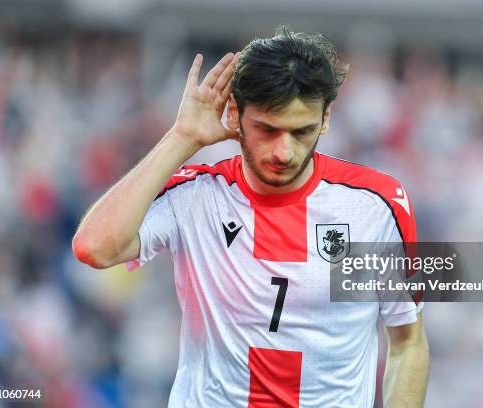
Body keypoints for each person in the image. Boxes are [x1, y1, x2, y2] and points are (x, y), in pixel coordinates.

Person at [72, 26, 429, 408]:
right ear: (235, 115)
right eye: (267, 129)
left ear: (326, 119)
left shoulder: (378, 205)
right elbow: (95, 248)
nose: (284, 151)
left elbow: (408, 341)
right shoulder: (195, 195)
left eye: (302, 131)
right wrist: (182, 136)